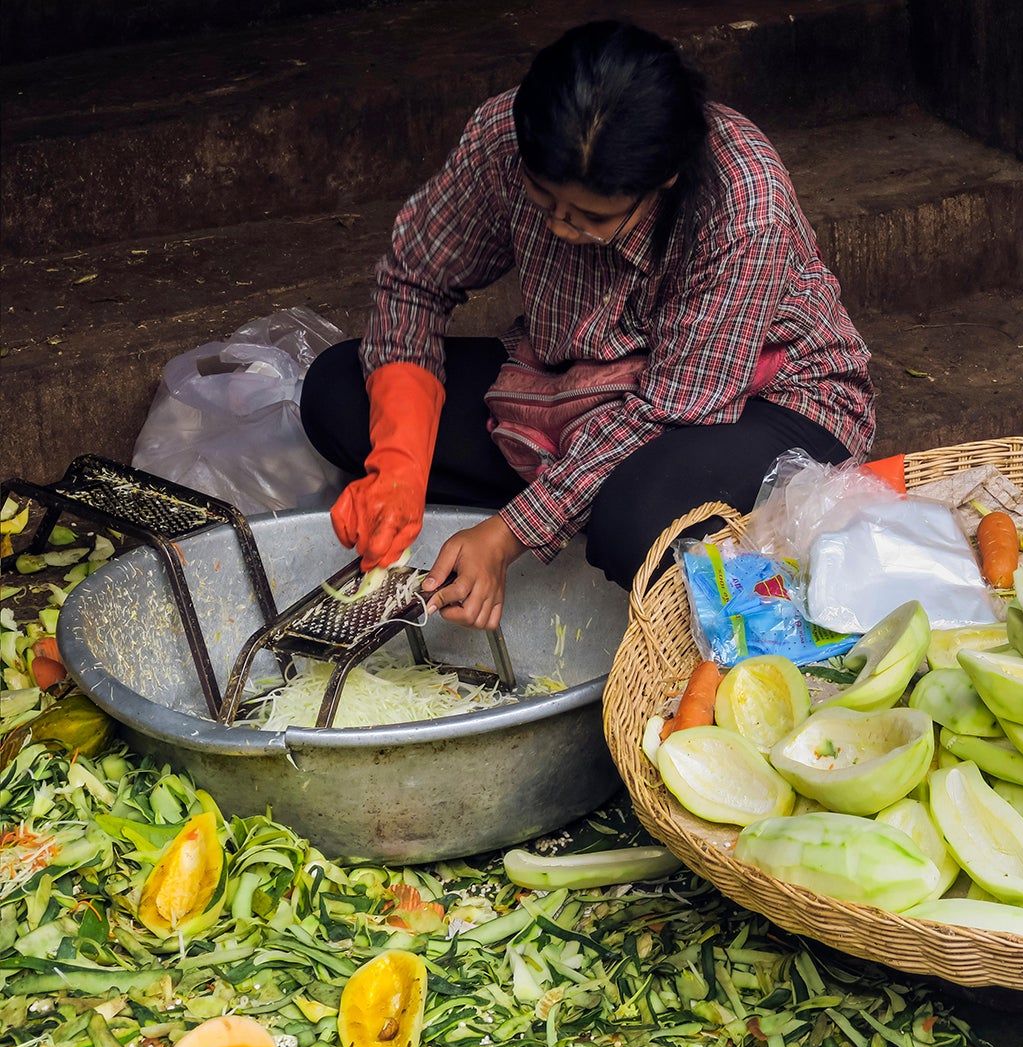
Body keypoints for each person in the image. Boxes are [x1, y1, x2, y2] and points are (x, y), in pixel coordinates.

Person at [301, 20, 874, 631]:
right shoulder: (508, 135)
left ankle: (574, 519)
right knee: (337, 392)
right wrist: (399, 464)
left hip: (756, 402)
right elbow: (415, 277)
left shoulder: (742, 204)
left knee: (636, 521)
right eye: (544, 202)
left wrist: (507, 534)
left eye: (591, 218)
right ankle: (565, 504)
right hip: (574, 385)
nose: (559, 230)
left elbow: (669, 411)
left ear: (665, 180)